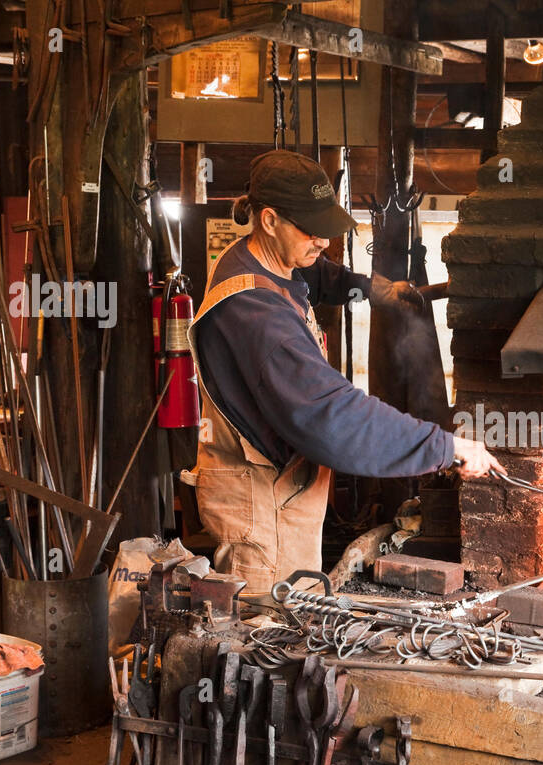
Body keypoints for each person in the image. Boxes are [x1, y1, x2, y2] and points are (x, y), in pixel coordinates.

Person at [183, 150, 500, 591]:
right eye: (313, 231)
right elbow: (335, 418)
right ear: (270, 220)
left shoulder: (265, 260)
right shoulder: (255, 312)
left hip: (279, 490)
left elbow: (318, 276)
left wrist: (373, 290)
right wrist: (444, 447)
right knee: (272, 636)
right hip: (263, 511)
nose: (322, 243)